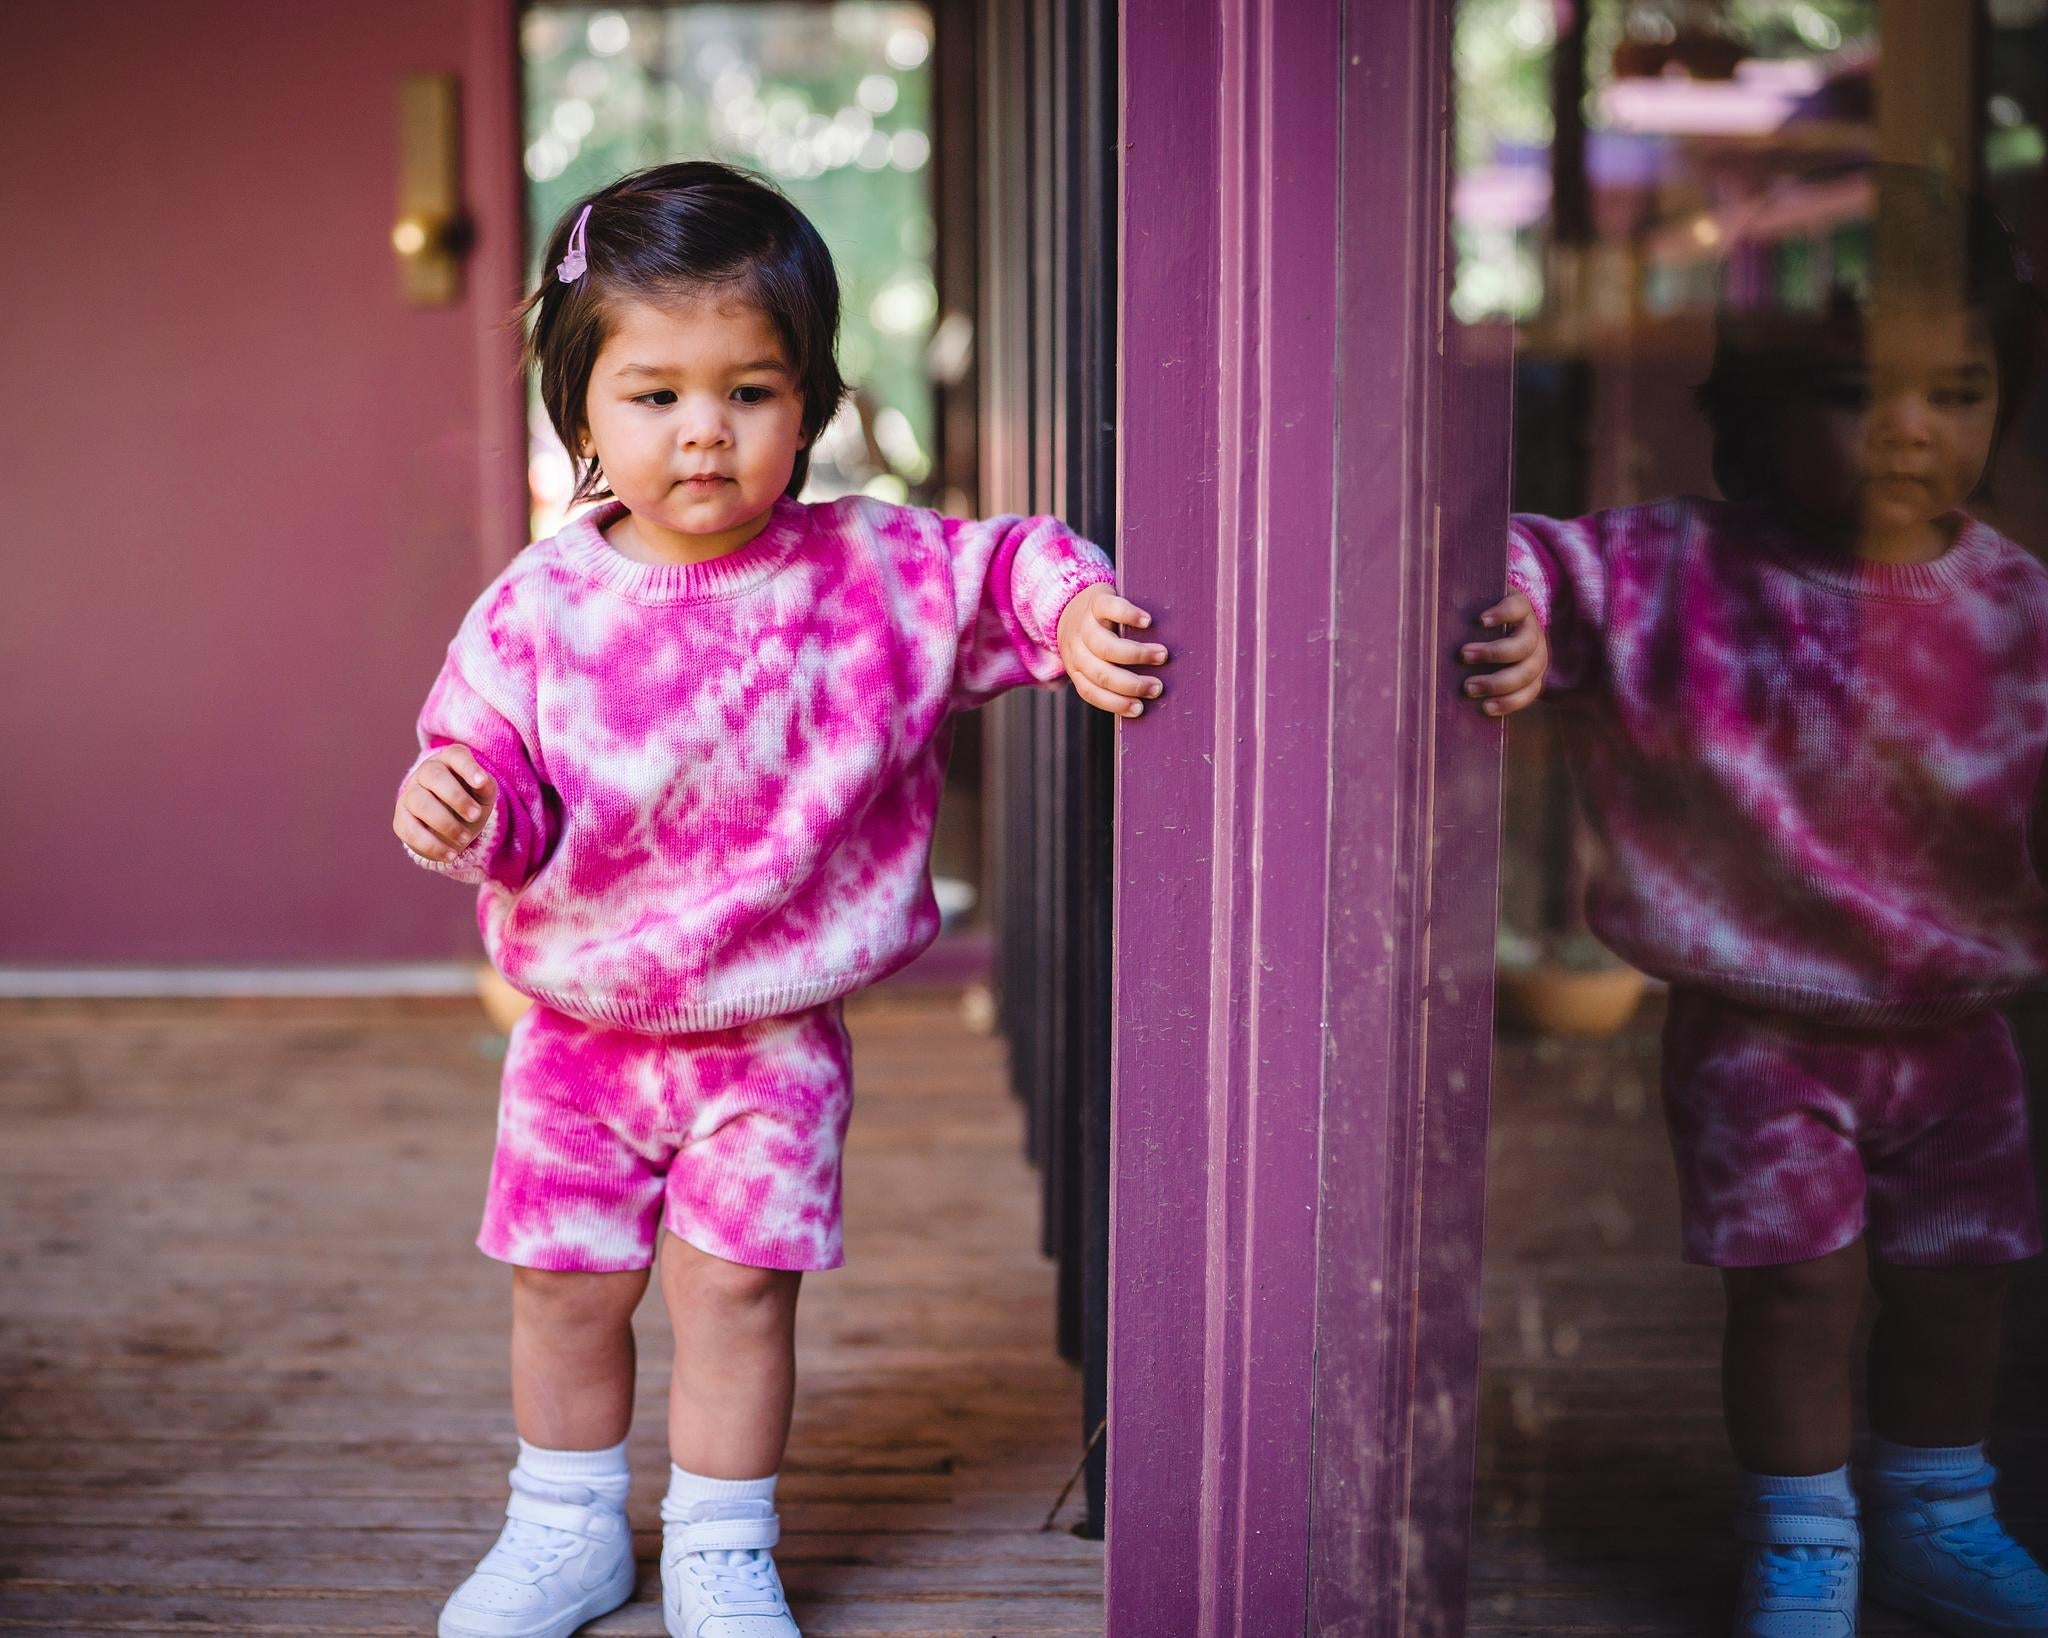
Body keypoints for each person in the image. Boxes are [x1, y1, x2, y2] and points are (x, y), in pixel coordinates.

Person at [394, 160, 1165, 1638]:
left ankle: (719, 1543)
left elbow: (1002, 568)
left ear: (806, 401)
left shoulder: (869, 575)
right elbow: (487, 761)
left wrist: (1070, 609)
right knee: (565, 1290)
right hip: (579, 1035)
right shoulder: (541, 608)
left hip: (772, 1033)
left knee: (738, 1292)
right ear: (584, 413)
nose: (704, 431)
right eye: (656, 393)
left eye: (749, 390)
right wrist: (459, 797)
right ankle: (563, 1525)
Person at [1460, 166, 2048, 1638]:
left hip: (1964, 1032)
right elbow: (1534, 556)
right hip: (1759, 1031)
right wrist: (1518, 611)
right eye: (1857, 392)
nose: (1913, 429)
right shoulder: (1684, 569)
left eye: (1957, 391)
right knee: (1797, 1292)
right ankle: (1802, 1539)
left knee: (1957, 1289)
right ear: (1757, 411)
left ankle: (1936, 1513)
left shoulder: (2021, 610)